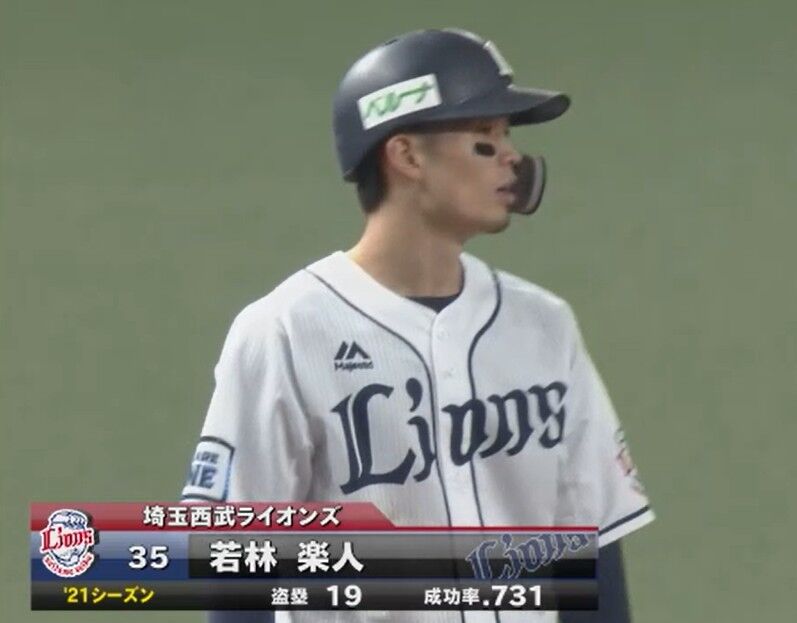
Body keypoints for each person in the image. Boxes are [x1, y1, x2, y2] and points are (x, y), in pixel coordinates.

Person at [183, 28, 653, 623]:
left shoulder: (545, 326)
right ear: (406, 156)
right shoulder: (283, 333)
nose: (512, 157)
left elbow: (591, 549)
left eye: (508, 136)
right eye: (484, 137)